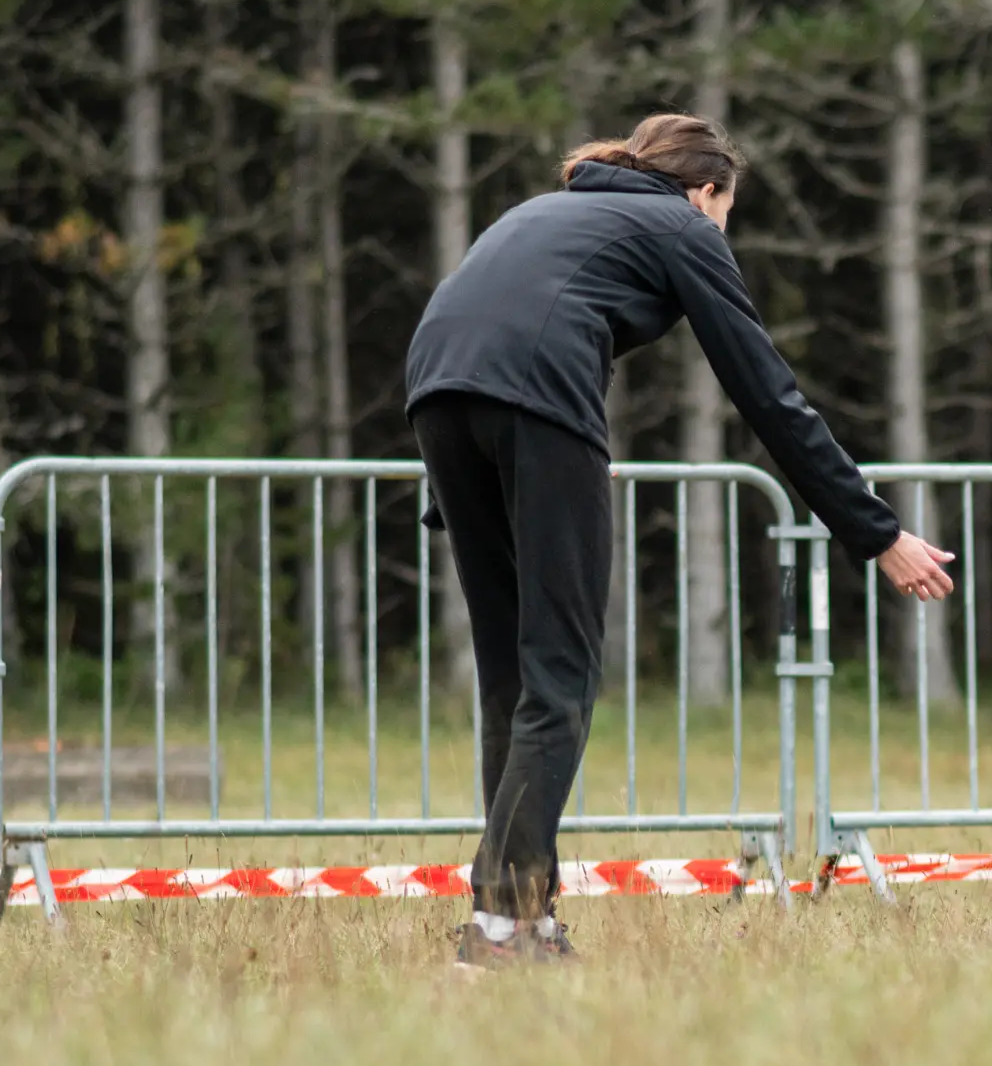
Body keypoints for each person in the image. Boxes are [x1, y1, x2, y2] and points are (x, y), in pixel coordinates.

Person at [404, 112, 956, 968]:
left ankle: (524, 919)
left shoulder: (545, 212)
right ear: (707, 192)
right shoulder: (678, 224)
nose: (724, 229)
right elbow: (768, 393)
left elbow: (495, 331)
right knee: (559, 676)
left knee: (513, 679)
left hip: (436, 396)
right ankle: (503, 927)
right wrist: (876, 531)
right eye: (728, 211)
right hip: (532, 408)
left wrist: (533, 473)